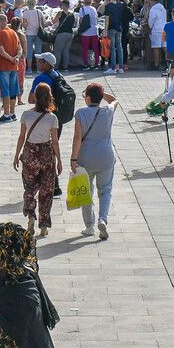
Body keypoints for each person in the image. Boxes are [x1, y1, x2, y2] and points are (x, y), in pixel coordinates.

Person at [13, 83, 61, 239]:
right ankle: (44, 224)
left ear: (34, 96)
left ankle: (31, 215)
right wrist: (59, 160)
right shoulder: (52, 118)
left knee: (30, 187)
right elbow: (55, 141)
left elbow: (21, 137)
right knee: (47, 191)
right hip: (46, 155)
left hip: (30, 155)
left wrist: (16, 155)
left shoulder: (26, 115)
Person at [71, 84, 118, 240]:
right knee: (105, 190)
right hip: (106, 157)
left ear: (88, 98)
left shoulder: (80, 113)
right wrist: (102, 94)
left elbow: (77, 137)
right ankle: (102, 219)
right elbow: (115, 100)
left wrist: (73, 158)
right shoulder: (107, 111)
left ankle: (89, 226)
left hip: (86, 158)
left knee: (86, 192)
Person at [0, 15, 21, 121]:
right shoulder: (13, 33)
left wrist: (11, 59)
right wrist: (16, 58)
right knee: (13, 91)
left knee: (5, 91)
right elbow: (19, 49)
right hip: (13, 67)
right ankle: (12, 113)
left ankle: (6, 114)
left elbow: (1, 51)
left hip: (2, 66)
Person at [77, 0, 100, 69]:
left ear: (84, 2)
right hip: (94, 30)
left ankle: (86, 64)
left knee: (85, 49)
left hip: (86, 32)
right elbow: (96, 19)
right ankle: (96, 64)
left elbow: (80, 21)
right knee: (95, 49)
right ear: (90, 2)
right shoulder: (94, 9)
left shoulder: (82, 9)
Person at [53, 2, 76, 71]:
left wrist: (53, 18)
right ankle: (65, 67)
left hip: (61, 34)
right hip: (70, 34)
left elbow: (54, 21)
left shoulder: (60, 13)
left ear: (63, 6)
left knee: (57, 51)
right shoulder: (72, 14)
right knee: (66, 51)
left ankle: (56, 67)